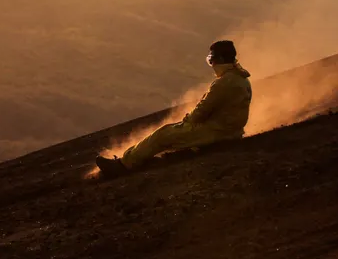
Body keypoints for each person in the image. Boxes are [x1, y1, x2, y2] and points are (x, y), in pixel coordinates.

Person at [96, 40, 252, 174]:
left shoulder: (223, 83)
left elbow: (202, 111)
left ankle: (125, 165)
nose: (212, 64)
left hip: (217, 133)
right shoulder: (242, 79)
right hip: (231, 131)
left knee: (162, 134)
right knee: (174, 133)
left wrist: (188, 121)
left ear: (221, 59)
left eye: (212, 60)